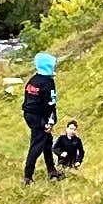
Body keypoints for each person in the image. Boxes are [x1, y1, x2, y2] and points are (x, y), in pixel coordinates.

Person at [19, 51, 64, 184]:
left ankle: (51, 170)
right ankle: (27, 177)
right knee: (37, 145)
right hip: (40, 117)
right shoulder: (48, 83)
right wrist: (48, 123)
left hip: (29, 115)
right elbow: (50, 104)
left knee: (47, 141)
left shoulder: (33, 80)